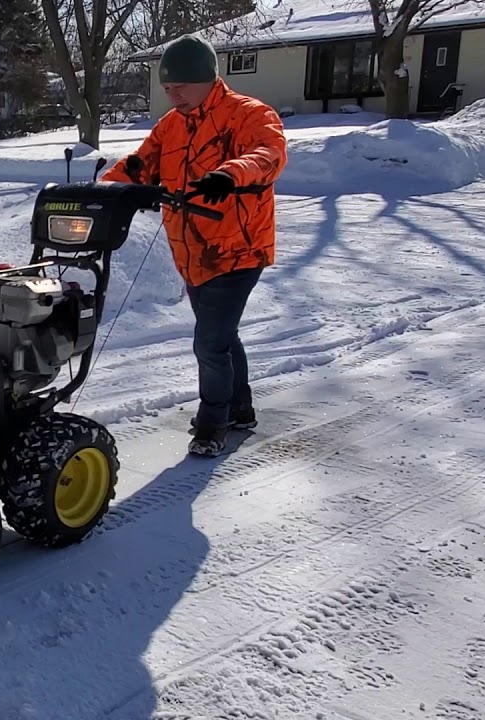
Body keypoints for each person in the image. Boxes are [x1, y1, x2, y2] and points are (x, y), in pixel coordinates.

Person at [101, 33, 288, 457]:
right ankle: (240, 409)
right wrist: (98, 192)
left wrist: (231, 173)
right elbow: (138, 167)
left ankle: (212, 423)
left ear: (207, 79)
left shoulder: (246, 115)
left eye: (181, 86)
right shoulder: (171, 126)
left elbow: (269, 153)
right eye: (167, 89)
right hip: (192, 252)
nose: (173, 96)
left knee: (209, 341)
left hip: (238, 249)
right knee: (221, 336)